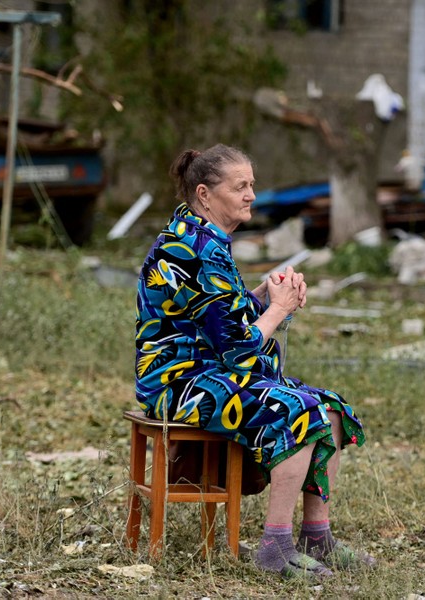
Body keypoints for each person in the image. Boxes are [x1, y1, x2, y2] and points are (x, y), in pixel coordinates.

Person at [135, 143, 373, 578]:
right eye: (240, 186)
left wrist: (263, 296)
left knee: (332, 408)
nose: (251, 196)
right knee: (298, 411)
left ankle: (316, 538)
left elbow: (219, 315)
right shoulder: (194, 248)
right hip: (179, 385)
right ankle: (274, 548)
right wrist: (278, 309)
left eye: (252, 185)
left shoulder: (202, 239)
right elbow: (238, 351)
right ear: (205, 194)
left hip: (213, 373)